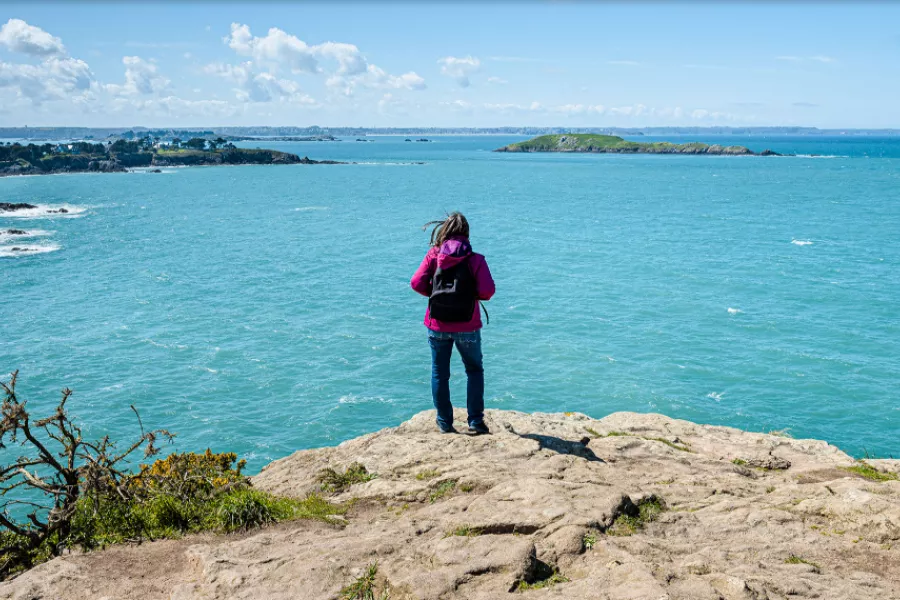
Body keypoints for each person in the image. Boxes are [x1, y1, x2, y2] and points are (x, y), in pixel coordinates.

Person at [411, 212, 495, 434]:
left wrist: (435, 293)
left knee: (440, 372)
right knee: (474, 370)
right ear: (467, 233)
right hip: (468, 325)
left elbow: (416, 283)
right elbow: (488, 291)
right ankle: (475, 422)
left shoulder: (433, 256)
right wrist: (469, 295)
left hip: (437, 324)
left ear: (444, 231)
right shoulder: (476, 259)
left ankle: (444, 423)